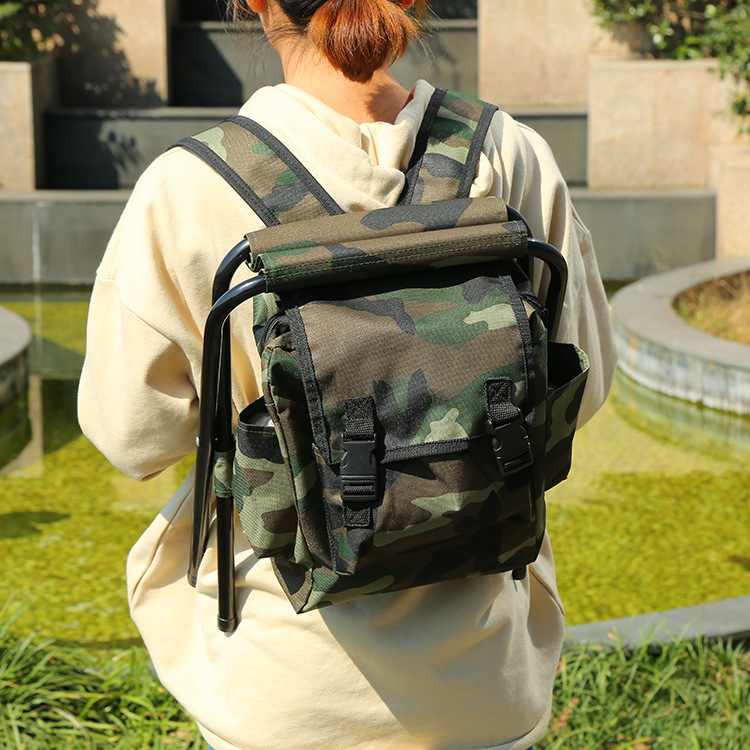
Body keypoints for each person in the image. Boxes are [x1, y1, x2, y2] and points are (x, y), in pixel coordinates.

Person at [78, 1, 617, 748]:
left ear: (255, 4)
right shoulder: (509, 153)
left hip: (283, 686)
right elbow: (580, 386)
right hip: (483, 682)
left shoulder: (187, 186)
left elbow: (131, 437)